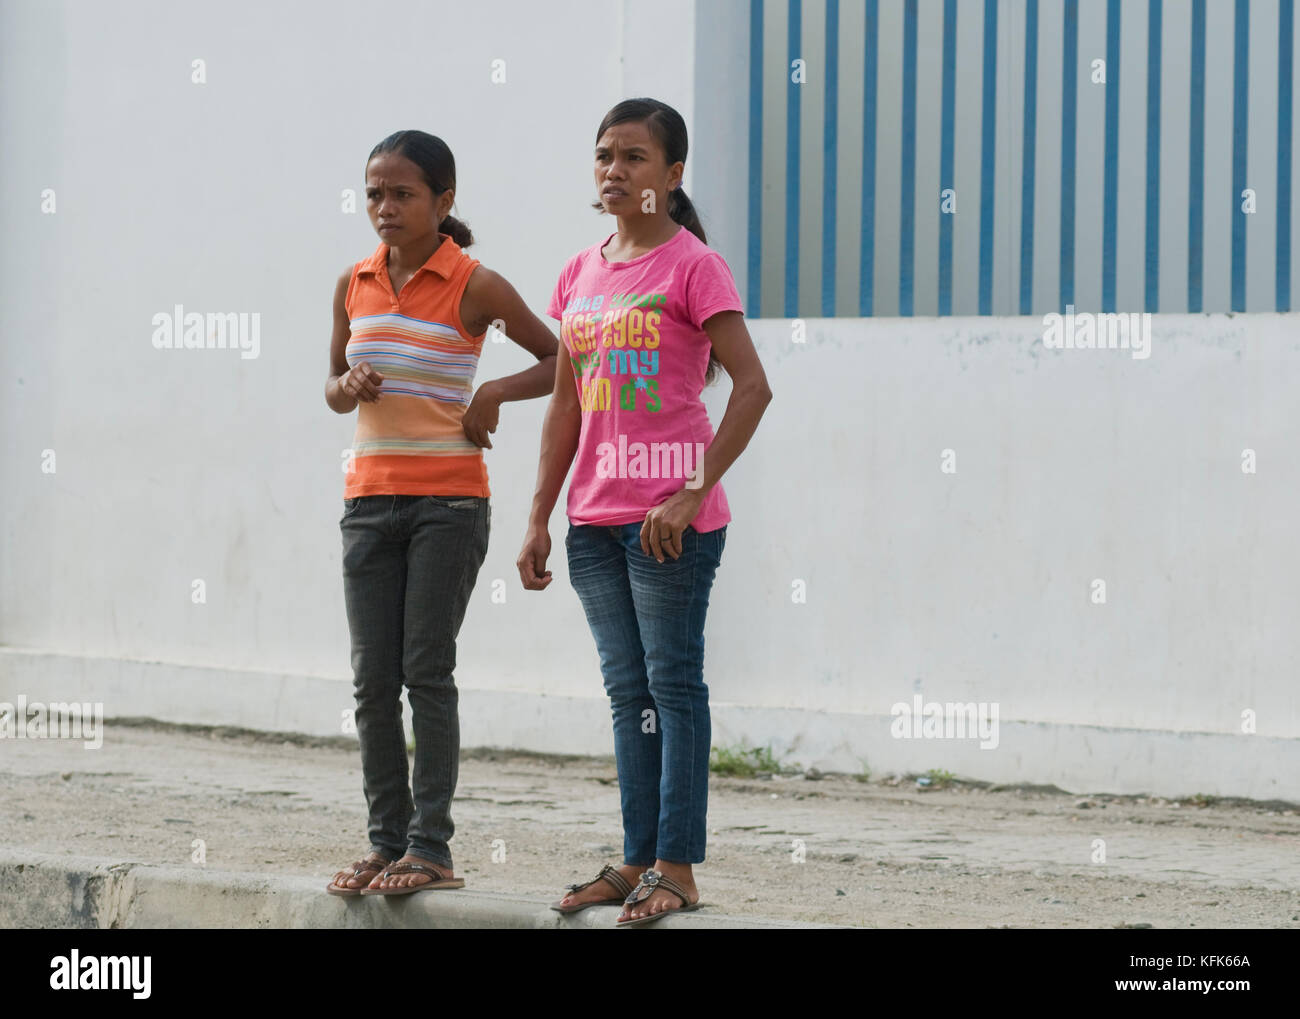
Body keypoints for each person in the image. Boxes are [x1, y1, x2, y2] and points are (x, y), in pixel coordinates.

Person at [516, 98, 773, 926]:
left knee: (674, 684)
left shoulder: (696, 266)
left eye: (633, 157)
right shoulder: (579, 273)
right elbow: (566, 407)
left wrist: (694, 488)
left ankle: (678, 869)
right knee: (630, 693)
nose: (614, 171)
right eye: (603, 157)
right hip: (594, 522)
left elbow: (754, 386)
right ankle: (634, 862)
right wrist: (537, 515)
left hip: (671, 522)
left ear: (672, 174)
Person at [325, 130, 557, 896]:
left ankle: (432, 849)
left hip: (449, 506)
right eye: (374, 194)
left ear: (443, 201)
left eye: (403, 194)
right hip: (368, 503)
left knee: (426, 671)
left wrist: (491, 392)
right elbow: (330, 383)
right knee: (371, 680)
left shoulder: (474, 284)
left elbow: (560, 359)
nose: (385, 209)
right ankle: (387, 843)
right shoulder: (353, 281)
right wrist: (347, 386)